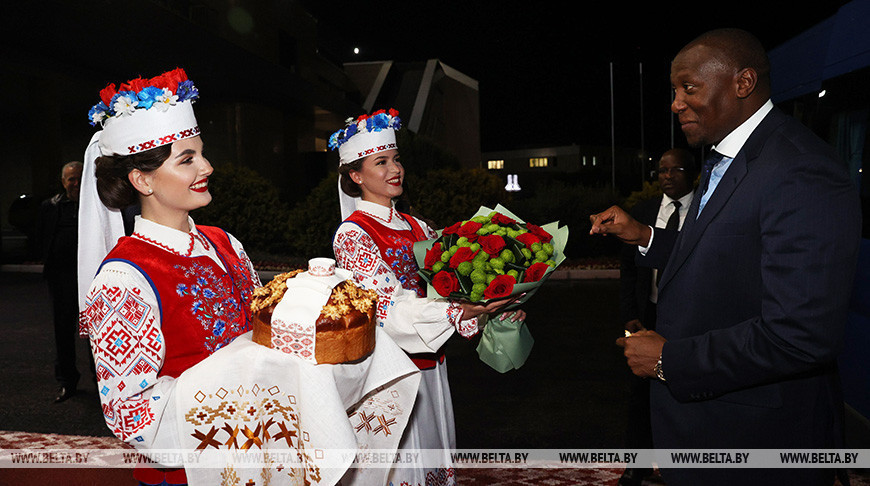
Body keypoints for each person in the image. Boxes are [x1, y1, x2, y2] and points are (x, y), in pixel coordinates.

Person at [590, 28, 860, 486]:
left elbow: (801, 335)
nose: (676, 103)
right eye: (674, 91)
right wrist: (643, 236)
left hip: (757, 442)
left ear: (743, 82)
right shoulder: (725, 158)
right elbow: (722, 254)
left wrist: (669, 360)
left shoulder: (800, 169)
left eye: (688, 88)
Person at [78, 68, 261, 486]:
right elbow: (130, 413)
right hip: (194, 470)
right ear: (142, 179)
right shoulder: (123, 279)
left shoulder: (224, 242)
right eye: (187, 159)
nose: (207, 166)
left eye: (202, 153)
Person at [330, 109, 523, 485]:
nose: (394, 169)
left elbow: (453, 290)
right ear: (356, 176)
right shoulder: (352, 234)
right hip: (390, 372)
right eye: (380, 162)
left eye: (396, 159)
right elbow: (385, 307)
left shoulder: (420, 227)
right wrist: (459, 310)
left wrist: (493, 312)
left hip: (432, 365)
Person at [617, 148, 696, 486]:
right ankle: (638, 464)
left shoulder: (704, 211)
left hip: (692, 318)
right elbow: (628, 270)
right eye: (661, 170)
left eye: (674, 169)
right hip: (649, 312)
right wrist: (631, 314)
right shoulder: (644, 212)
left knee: (685, 388)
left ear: (692, 172)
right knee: (640, 394)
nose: (666, 176)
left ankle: (682, 466)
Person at [38, 161, 90, 403]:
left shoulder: (95, 205)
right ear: (63, 182)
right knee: (63, 331)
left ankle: (103, 382)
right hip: (61, 279)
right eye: (71, 179)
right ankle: (67, 382)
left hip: (90, 277)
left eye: (79, 177)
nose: (76, 183)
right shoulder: (51, 207)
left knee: (96, 332)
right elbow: (41, 236)